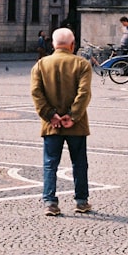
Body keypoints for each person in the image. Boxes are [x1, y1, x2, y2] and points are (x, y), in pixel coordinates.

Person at [30, 27, 93, 216]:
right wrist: (72, 116)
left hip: (51, 125)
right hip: (77, 124)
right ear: (72, 45)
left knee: (50, 164)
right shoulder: (82, 65)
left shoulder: (41, 65)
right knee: (79, 163)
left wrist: (50, 115)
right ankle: (81, 202)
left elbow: (36, 93)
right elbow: (84, 94)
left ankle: (50, 202)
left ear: (53, 44)